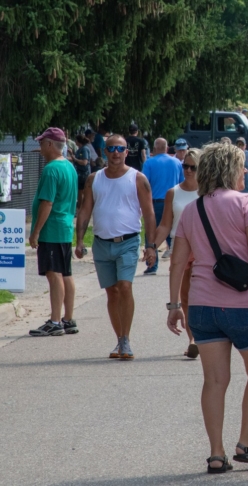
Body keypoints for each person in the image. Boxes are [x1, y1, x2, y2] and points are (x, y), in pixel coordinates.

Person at [165, 141, 248, 474]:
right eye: (241, 166)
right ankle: (247, 443)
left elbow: (177, 263)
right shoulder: (246, 202)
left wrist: (175, 305)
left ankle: (216, 453)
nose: (245, 171)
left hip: (201, 306)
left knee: (214, 381)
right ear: (230, 170)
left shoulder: (191, 210)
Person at [75, 133, 158, 360]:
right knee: (112, 292)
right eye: (111, 149)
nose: (115, 153)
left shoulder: (138, 178)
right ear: (104, 152)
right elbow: (85, 210)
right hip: (102, 243)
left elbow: (150, 215)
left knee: (125, 287)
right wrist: (80, 240)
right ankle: (119, 338)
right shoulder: (94, 179)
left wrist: (151, 246)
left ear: (126, 152)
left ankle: (126, 340)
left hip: (128, 242)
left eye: (120, 149)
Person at [149, 148, 202, 357]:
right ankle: (193, 339)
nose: (188, 170)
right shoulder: (173, 192)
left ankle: (206, 336)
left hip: (204, 249)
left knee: (204, 297)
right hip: (181, 249)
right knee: (186, 297)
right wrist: (152, 246)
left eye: (193, 167)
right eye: (185, 166)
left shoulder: (209, 191)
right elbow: (164, 225)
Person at [29, 128, 79, 337]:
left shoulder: (51, 170)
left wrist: (36, 231)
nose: (40, 147)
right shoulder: (69, 167)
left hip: (52, 228)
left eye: (42, 143)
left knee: (54, 274)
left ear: (50, 144)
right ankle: (67, 318)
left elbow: (47, 202)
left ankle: (55, 320)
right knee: (65, 273)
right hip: (65, 226)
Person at [141, 138, 185, 274]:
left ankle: (151, 265)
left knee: (151, 234)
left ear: (154, 149)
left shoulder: (149, 163)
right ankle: (178, 264)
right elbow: (182, 182)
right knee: (172, 235)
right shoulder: (177, 162)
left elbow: (144, 184)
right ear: (167, 148)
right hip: (173, 202)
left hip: (156, 202)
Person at [72, 134, 95, 206]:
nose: (75, 142)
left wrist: (75, 159)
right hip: (79, 173)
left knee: (82, 191)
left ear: (79, 141)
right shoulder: (80, 149)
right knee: (80, 190)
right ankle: (81, 205)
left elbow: (84, 162)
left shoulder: (84, 149)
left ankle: (81, 206)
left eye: (76, 140)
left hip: (84, 173)